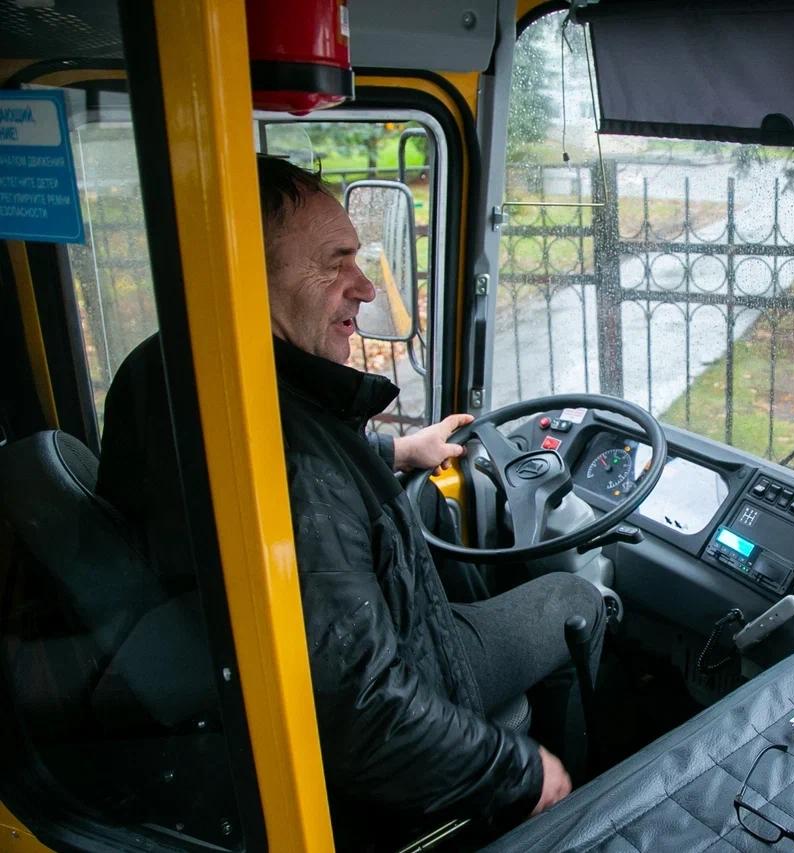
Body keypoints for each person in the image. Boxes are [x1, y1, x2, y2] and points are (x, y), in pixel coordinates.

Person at [95, 155, 605, 833]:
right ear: (243, 274)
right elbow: (365, 713)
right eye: (335, 263)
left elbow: (279, 484)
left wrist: (397, 451)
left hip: (222, 683)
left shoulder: (163, 366)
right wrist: (517, 768)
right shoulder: (297, 463)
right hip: (403, 688)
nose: (365, 287)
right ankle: (575, 807)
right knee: (575, 598)